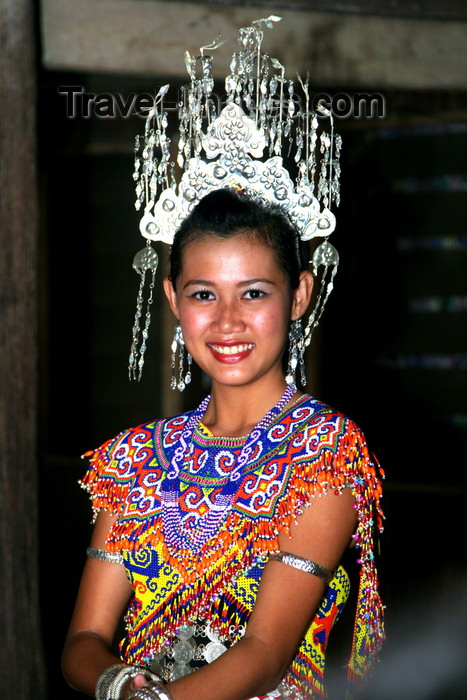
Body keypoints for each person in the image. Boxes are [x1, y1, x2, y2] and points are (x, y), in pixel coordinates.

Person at [62, 189, 384, 700]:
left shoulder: (325, 452)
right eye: (203, 294)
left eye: (254, 293)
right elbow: (85, 639)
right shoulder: (133, 457)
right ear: (172, 298)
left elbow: (265, 656)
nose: (228, 321)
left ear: (299, 295)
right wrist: (123, 685)